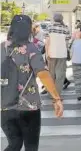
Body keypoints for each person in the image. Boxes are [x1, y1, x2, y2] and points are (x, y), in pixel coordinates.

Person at [1, 15, 63, 151]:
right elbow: (43, 74)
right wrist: (56, 99)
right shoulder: (31, 48)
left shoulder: (1, 48)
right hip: (29, 107)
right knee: (31, 147)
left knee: (14, 144)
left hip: (5, 107)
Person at [44, 13, 71, 97]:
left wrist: (47, 53)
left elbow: (47, 42)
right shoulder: (66, 28)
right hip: (62, 54)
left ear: (54, 19)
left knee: (51, 74)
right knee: (60, 75)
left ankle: (51, 92)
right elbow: (67, 42)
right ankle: (57, 94)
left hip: (51, 54)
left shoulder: (49, 27)